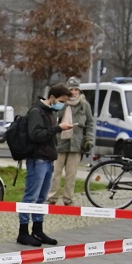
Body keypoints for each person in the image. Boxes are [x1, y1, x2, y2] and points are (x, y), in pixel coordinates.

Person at [17, 84, 71, 247]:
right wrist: (57, 128)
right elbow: (35, 135)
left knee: (41, 198)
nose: (62, 104)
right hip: (37, 159)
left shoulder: (50, 112)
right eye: (61, 101)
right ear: (52, 97)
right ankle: (23, 231)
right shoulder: (36, 112)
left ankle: (38, 229)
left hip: (48, 159)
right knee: (31, 196)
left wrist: (57, 129)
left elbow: (47, 134)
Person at [49, 76, 95, 206]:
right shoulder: (60, 103)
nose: (74, 92)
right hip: (60, 142)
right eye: (71, 89)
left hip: (76, 144)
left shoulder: (84, 105)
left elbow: (90, 124)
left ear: (79, 91)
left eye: (76, 89)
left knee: (71, 175)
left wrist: (89, 139)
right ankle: (52, 198)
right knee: (56, 173)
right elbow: (53, 118)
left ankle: (68, 199)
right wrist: (63, 106)